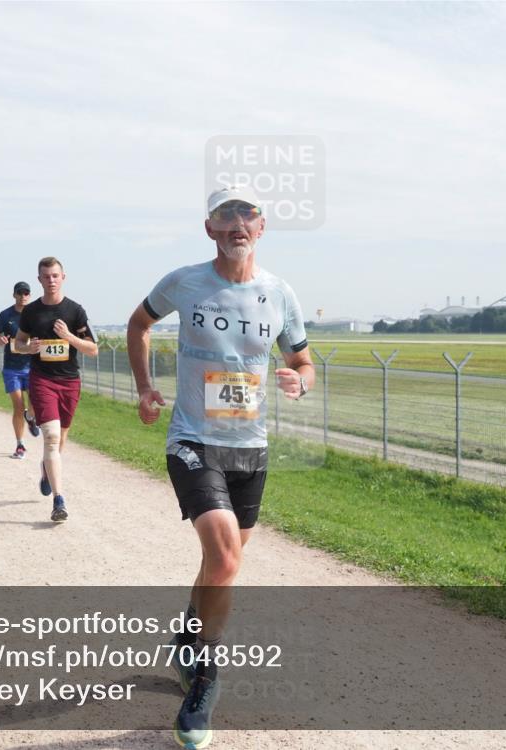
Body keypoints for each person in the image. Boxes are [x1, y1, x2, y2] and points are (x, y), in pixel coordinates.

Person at [126, 185, 315, 749]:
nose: (237, 224)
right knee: (225, 554)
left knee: (221, 566)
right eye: (225, 215)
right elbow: (138, 324)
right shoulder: (184, 281)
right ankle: (205, 681)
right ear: (210, 228)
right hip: (193, 439)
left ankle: (187, 635)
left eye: (247, 215)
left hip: (249, 448)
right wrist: (143, 387)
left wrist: (298, 382)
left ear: (261, 228)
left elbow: (303, 361)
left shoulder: (280, 294)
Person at [15, 257, 98, 522]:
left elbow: (93, 349)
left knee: (60, 441)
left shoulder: (75, 311)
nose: (51, 280)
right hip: (42, 380)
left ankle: (46, 469)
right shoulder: (31, 312)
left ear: (63, 277)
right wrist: (30, 348)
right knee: (50, 436)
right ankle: (59, 501)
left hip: (69, 381)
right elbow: (17, 344)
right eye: (46, 276)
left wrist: (69, 337)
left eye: (55, 275)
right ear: (39, 280)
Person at [0, 281, 41, 458]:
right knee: (18, 407)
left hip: (33, 367)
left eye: (26, 293)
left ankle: (32, 418)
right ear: (14, 295)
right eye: (20, 293)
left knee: (35, 405)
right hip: (12, 368)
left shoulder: (36, 314)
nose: (23, 296)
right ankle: (20, 444)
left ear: (30, 295)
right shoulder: (6, 315)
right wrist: (0, 340)